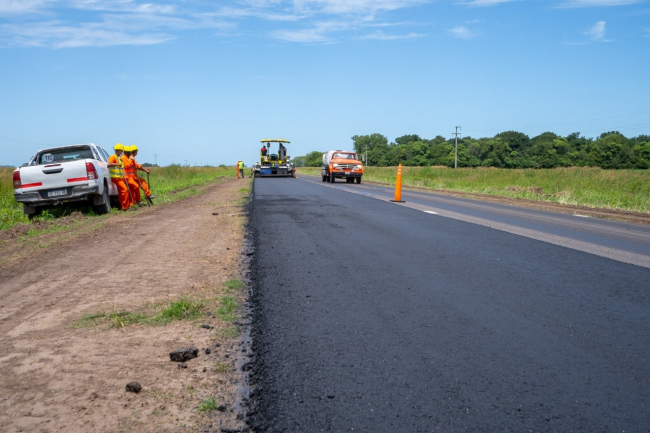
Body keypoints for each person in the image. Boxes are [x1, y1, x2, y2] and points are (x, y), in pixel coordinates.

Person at [107, 143, 132, 210]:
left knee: (121, 192)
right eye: (121, 151)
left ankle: (123, 206)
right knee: (125, 190)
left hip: (119, 178)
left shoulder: (118, 158)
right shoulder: (113, 157)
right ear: (117, 150)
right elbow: (108, 164)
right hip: (116, 178)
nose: (122, 152)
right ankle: (126, 207)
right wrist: (118, 164)